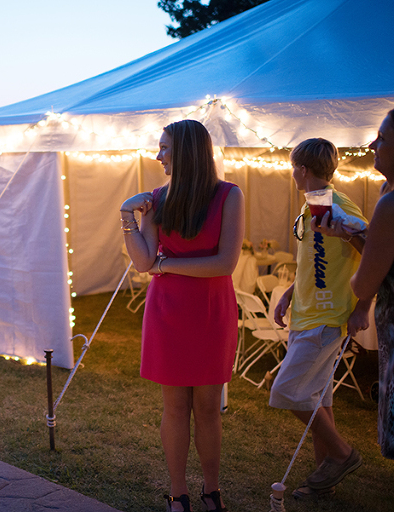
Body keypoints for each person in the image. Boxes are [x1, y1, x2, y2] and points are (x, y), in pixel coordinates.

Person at [121, 119, 244, 512]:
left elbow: (225, 264)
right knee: (174, 407)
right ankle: (178, 495)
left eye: (165, 148)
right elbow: (143, 262)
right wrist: (128, 214)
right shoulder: (158, 199)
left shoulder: (229, 195)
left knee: (208, 407)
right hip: (168, 313)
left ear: (187, 151)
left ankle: (212, 492)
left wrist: (168, 266)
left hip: (211, 311)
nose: (158, 156)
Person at [269, 138, 369, 500]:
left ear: (303, 169)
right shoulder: (313, 204)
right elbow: (315, 259)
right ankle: (321, 481)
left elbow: (373, 248)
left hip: (327, 317)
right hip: (306, 314)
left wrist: (363, 306)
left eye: (293, 166)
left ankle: (342, 455)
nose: (291, 171)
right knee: (319, 401)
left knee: (288, 392)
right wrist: (290, 293)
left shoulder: (337, 204)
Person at [350, 110, 394, 460]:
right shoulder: (385, 192)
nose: (372, 144)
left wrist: (353, 279)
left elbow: (365, 283)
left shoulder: (390, 204)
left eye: (381, 137)